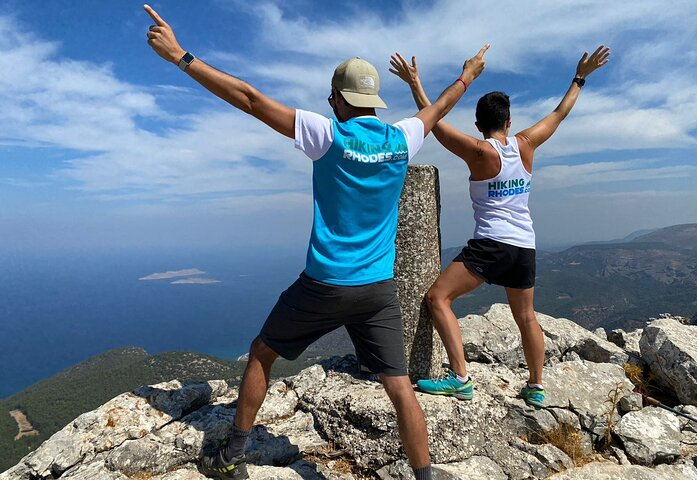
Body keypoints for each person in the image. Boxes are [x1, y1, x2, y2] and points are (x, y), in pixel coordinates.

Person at [144, 5, 490, 479]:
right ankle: (424, 475)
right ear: (374, 102)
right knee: (399, 386)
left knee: (262, 352)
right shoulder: (402, 140)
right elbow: (438, 108)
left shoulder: (326, 135)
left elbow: (248, 98)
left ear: (338, 99)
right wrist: (467, 75)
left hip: (324, 285)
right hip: (377, 289)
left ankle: (232, 454)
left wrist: (181, 57)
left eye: (332, 97)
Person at [390, 46, 610, 407]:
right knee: (525, 317)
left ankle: (460, 378)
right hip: (524, 245)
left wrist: (415, 84)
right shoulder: (526, 143)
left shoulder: (478, 152)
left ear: (479, 125)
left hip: (491, 245)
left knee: (437, 298)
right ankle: (536, 386)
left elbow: (433, 120)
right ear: (509, 121)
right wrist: (579, 77)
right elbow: (560, 112)